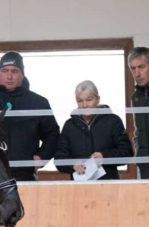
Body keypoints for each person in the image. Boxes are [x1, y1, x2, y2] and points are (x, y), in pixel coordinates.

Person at [0, 52, 60, 182]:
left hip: (24, 175)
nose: (9, 76)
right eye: (4, 71)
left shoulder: (39, 102)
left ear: (22, 75)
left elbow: (52, 135)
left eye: (14, 71)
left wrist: (41, 157)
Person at [54, 80, 133, 180]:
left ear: (98, 99)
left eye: (89, 99)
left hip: (108, 184)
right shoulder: (69, 125)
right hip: (79, 187)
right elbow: (59, 158)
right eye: (80, 101)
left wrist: (104, 157)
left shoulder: (113, 121)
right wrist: (72, 164)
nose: (84, 105)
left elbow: (126, 152)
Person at [128, 47, 149, 179]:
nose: (137, 73)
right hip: (145, 163)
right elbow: (137, 131)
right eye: (133, 68)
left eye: (141, 67)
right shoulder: (136, 97)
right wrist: (139, 155)